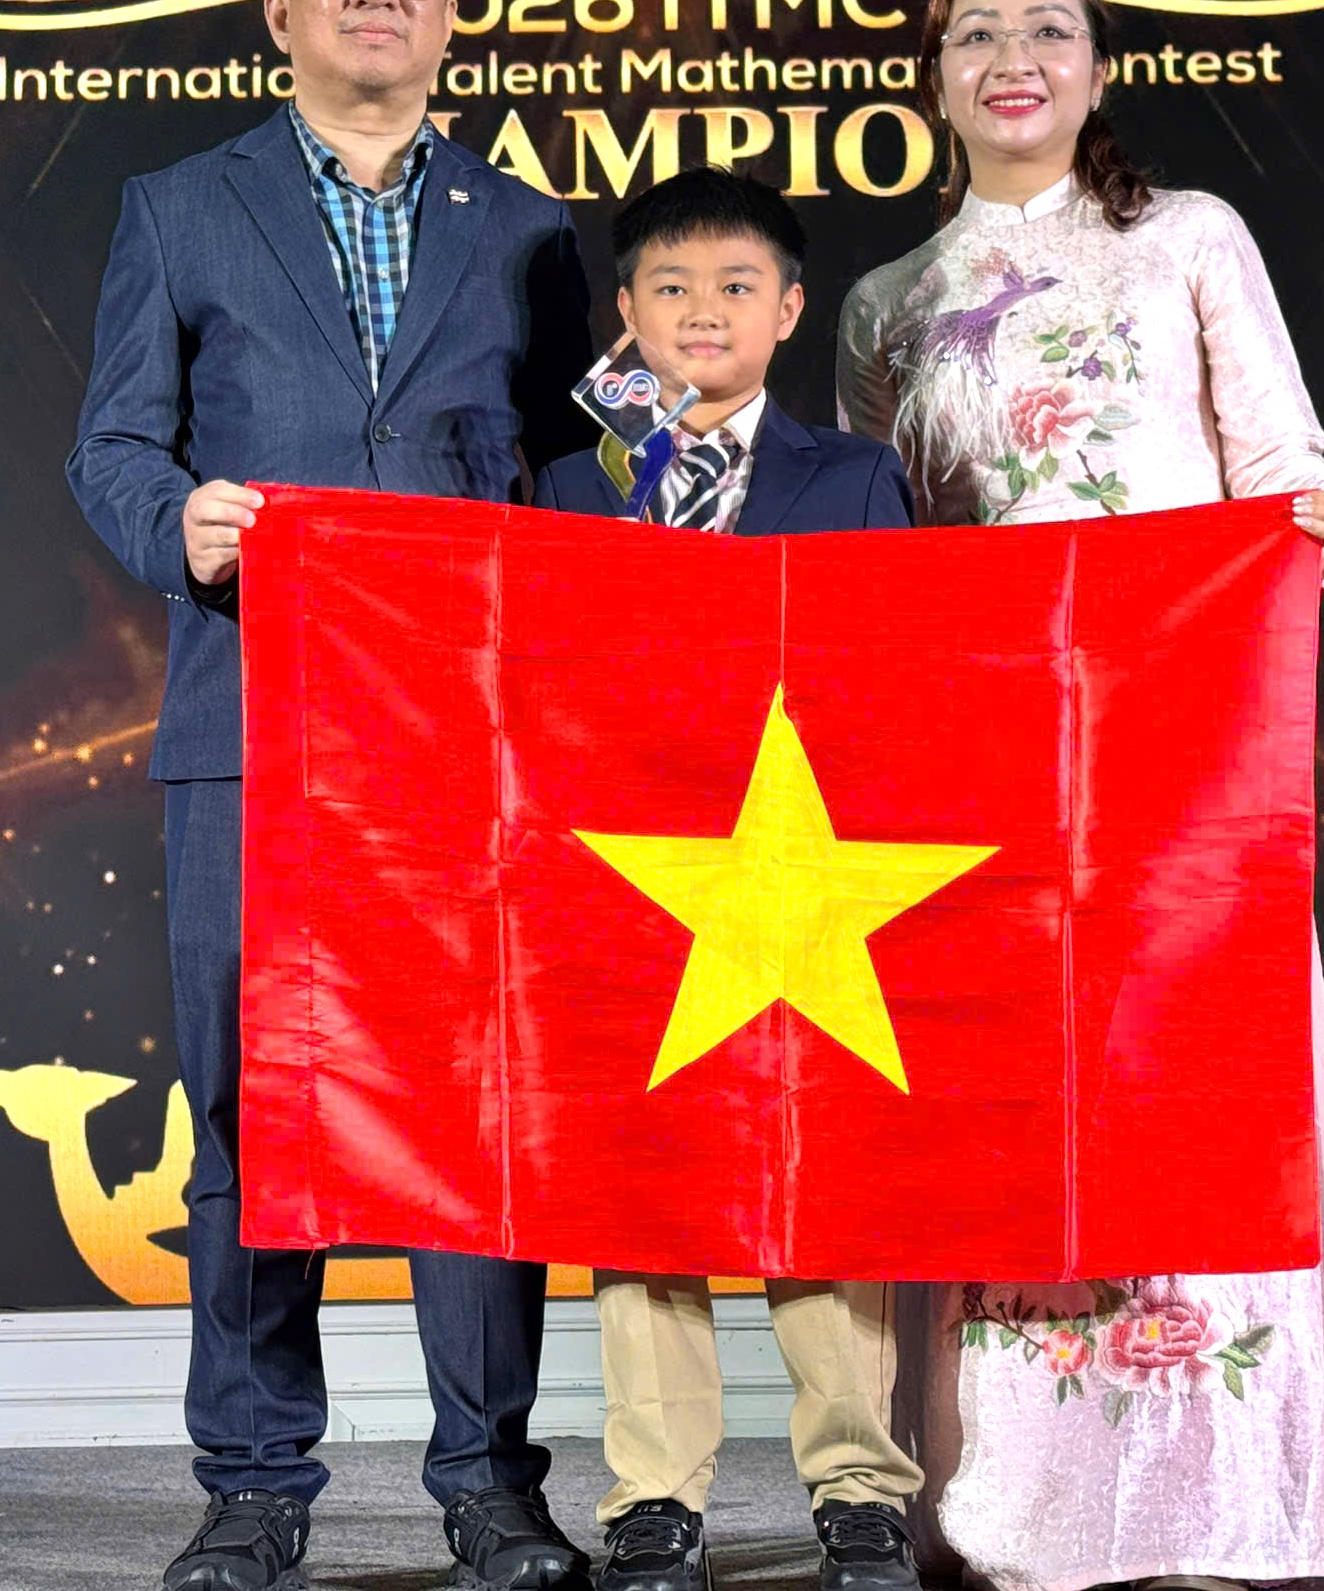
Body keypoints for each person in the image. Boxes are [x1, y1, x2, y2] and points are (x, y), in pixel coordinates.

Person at [836, 0, 1324, 1591]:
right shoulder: (885, 306)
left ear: (1097, 67)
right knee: (1012, 1113)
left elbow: (1280, 471)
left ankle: (1232, 1509)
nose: (1012, 60)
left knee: (1199, 1090)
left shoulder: (1189, 239)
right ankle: (1011, 1511)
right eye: (976, 34)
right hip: (986, 767)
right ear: (933, 76)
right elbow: (875, 564)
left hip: (1183, 745)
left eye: (1049, 31)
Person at [67, 0, 595, 1591]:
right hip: (252, 723)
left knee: (471, 1108)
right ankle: (253, 1487)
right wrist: (180, 523)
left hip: (468, 740)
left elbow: (566, 468)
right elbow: (114, 445)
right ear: (279, 11)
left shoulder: (526, 231)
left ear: (452, 14)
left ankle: (489, 1487)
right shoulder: (177, 207)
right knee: (252, 1111)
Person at [534, 168, 923, 1591]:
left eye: (738, 286)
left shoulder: (853, 476)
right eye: (673, 288)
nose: (705, 312)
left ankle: (860, 1487)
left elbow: (904, 672)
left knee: (824, 1175)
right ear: (626, 310)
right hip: (637, 875)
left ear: (792, 310)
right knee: (643, 1187)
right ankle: (654, 1495)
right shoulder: (571, 480)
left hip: (808, 863)